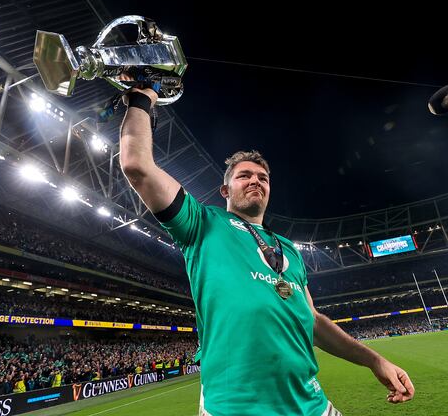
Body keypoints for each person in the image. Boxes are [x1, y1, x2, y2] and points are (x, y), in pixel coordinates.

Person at [119, 86, 414, 416]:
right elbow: (137, 165)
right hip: (235, 408)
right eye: (244, 176)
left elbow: (312, 322)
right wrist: (143, 100)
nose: (255, 181)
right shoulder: (201, 224)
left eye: (263, 177)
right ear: (225, 189)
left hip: (312, 406)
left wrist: (374, 360)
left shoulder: (289, 250)